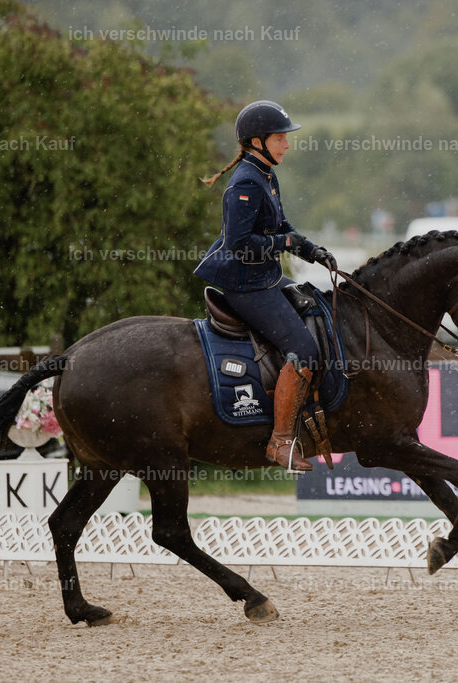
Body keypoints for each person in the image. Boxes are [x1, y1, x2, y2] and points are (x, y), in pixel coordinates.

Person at [194, 100, 336, 471]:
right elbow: (239, 245)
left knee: (317, 310)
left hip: (265, 278)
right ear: (257, 141)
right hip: (245, 286)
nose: (286, 145)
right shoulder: (244, 182)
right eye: (279, 138)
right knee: (303, 349)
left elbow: (282, 227)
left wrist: (310, 249)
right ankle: (280, 443)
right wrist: (284, 245)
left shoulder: (266, 174)